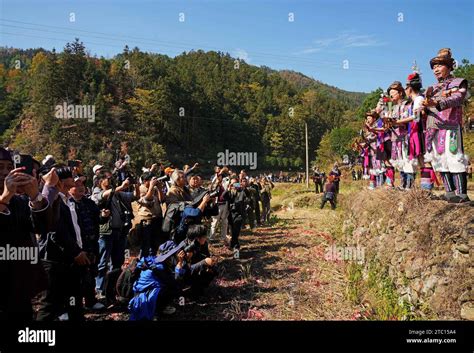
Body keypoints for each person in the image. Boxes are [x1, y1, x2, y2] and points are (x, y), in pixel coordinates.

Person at [0, 148, 49, 321]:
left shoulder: (18, 202)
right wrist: (4, 198)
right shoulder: (8, 198)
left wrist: (35, 195)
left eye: (9, 167)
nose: (6, 172)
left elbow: (42, 228)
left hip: (19, 287)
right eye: (0, 167)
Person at [37, 166, 90, 321]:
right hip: (54, 260)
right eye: (70, 176)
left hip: (70, 259)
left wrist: (81, 249)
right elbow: (56, 232)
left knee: (74, 299)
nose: (74, 178)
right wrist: (75, 252)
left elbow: (75, 229)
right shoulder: (53, 200)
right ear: (60, 181)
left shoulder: (69, 201)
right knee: (49, 303)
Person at [423, 48, 470, 203]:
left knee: (454, 158)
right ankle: (449, 192)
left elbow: (457, 98)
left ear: (449, 67)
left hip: (450, 126)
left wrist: (436, 102)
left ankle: (462, 194)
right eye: (434, 66)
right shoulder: (432, 89)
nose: (436, 69)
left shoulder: (459, 83)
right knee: (440, 159)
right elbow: (427, 107)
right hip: (435, 129)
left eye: (440, 65)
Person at [91, 170, 140, 298]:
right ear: (100, 181)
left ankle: (114, 287)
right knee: (103, 262)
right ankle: (100, 289)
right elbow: (102, 196)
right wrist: (121, 186)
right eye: (108, 178)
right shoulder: (97, 191)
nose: (111, 180)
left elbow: (135, 196)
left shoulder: (117, 193)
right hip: (105, 232)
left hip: (119, 232)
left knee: (118, 262)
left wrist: (135, 185)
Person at [69, 175, 105, 310]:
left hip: (92, 244)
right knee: (76, 279)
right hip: (76, 247)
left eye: (82, 185)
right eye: (76, 185)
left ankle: (91, 301)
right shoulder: (67, 204)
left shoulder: (89, 203)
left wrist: (104, 216)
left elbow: (99, 221)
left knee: (91, 273)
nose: (81, 187)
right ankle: (74, 306)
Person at [128, 240, 187, 321]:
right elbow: (175, 284)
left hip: (137, 295)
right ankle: (158, 310)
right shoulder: (160, 268)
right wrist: (179, 265)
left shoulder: (152, 260)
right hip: (145, 300)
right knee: (172, 289)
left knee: (165, 285)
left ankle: (158, 308)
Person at [135, 172, 165, 258]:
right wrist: (151, 187)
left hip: (157, 218)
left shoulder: (155, 189)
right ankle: (143, 263)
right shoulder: (141, 189)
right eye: (151, 180)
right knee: (146, 245)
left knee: (155, 244)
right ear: (145, 181)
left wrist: (159, 188)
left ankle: (153, 261)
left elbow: (162, 200)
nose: (154, 181)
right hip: (146, 220)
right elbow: (146, 200)